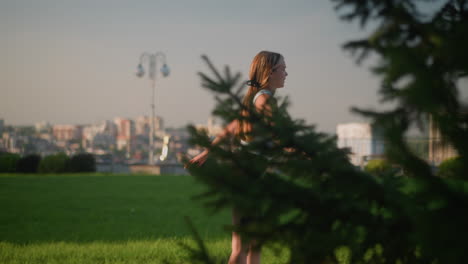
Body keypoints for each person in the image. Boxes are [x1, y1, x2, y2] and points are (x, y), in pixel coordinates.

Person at [187, 50, 288, 264]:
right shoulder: (265, 100)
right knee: (243, 248)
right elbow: (279, 135)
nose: (286, 73)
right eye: (283, 69)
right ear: (270, 73)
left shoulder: (253, 97)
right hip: (249, 176)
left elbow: (231, 128)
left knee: (249, 246)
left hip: (244, 174)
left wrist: (207, 151)